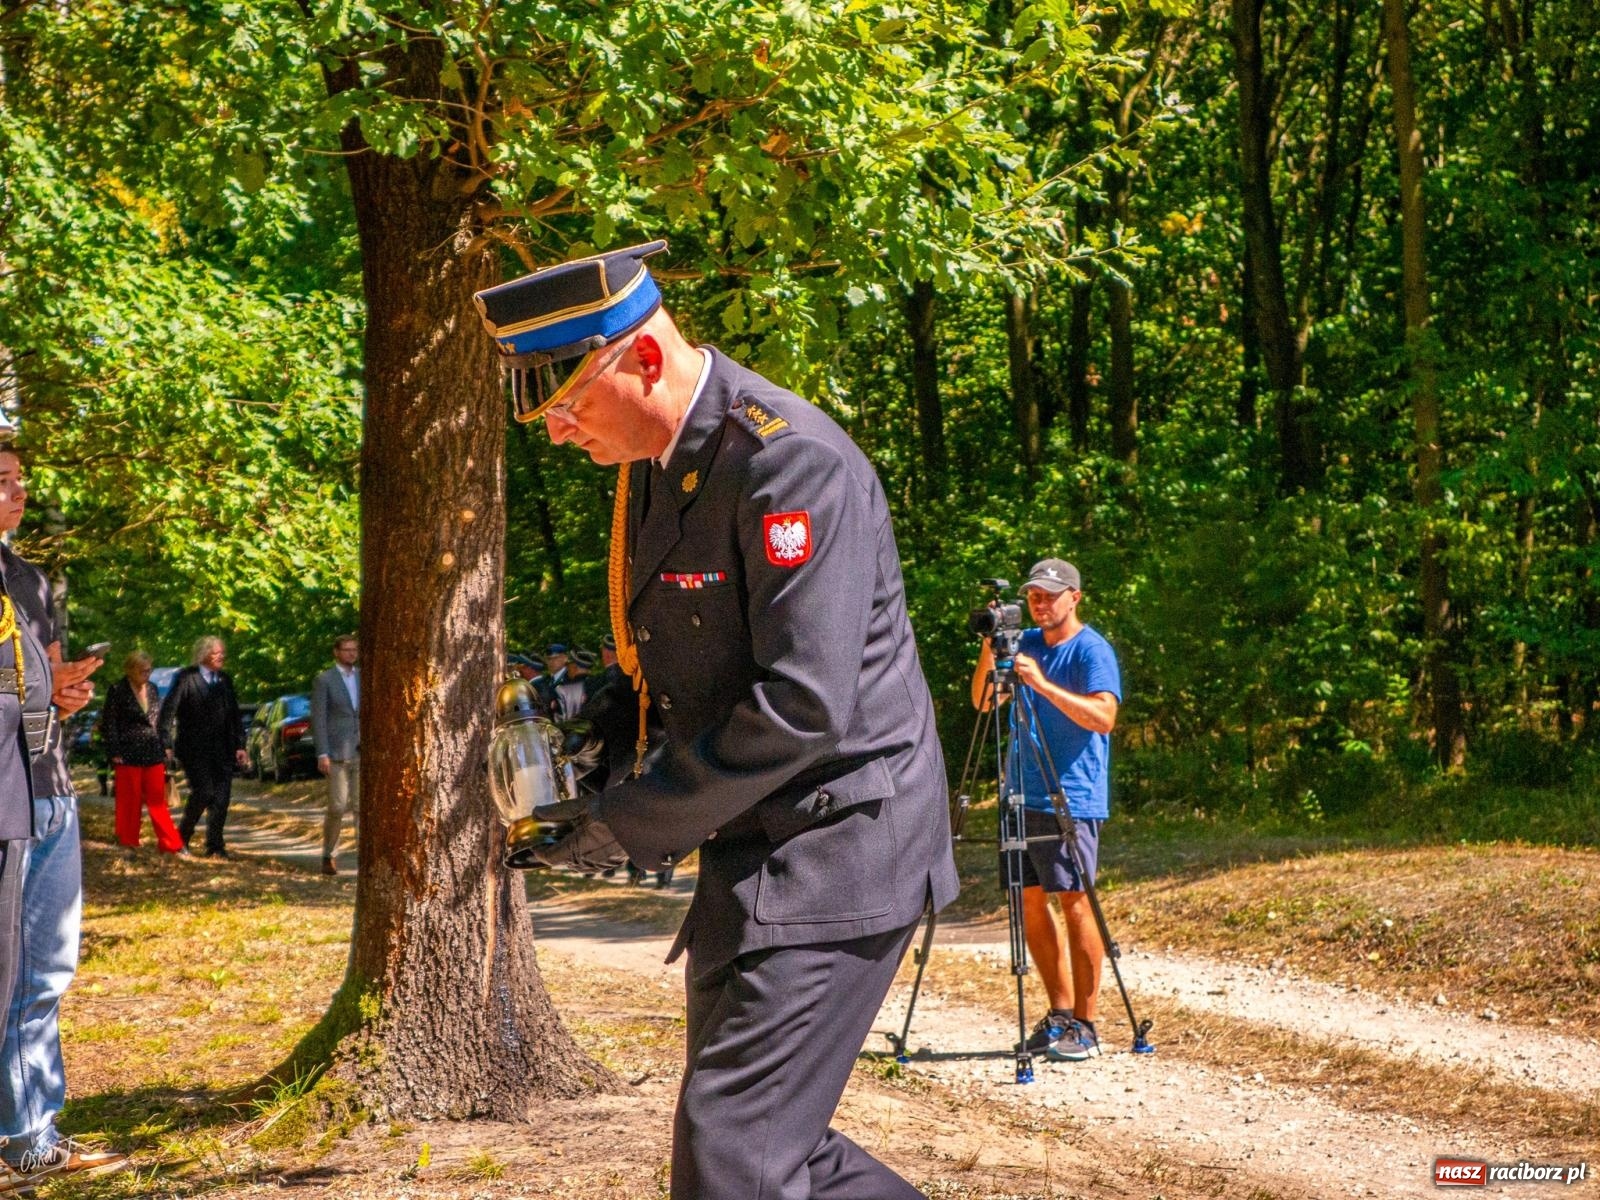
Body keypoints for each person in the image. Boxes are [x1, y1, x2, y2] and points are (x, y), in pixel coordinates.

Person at [476, 240, 959, 1200]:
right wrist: (609, 722)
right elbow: (700, 642)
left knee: (732, 1151)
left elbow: (804, 701)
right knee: (777, 1151)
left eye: (568, 403)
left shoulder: (789, 466)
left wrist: (630, 822)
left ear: (643, 359)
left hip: (843, 843)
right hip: (753, 844)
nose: (559, 432)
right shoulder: (660, 460)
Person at [0, 446, 128, 1188]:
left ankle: (31, 1128)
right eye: (2, 482)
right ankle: (22, 1135)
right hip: (6, 794)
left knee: (46, 967)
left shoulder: (29, 578)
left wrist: (65, 689)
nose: (17, 492)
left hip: (49, 785)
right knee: (14, 965)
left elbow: (38, 671)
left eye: (20, 480)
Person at [970, 558, 1121, 1063]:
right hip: (1021, 790)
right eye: (1034, 595)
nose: (1040, 603)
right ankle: (1058, 1014)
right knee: (1029, 901)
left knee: (1074, 900)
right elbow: (982, 703)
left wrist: (1042, 685)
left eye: (1050, 595)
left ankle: (1086, 1022)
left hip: (1071, 795)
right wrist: (991, 646)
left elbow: (1104, 718)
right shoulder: (1024, 644)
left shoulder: (1090, 649)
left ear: (1074, 597)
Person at [159, 637, 248, 859]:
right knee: (204, 792)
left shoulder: (224, 680)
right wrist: (166, 743)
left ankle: (215, 846)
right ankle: (182, 839)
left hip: (223, 749)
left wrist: (240, 744)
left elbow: (234, 714)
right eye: (216, 653)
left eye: (222, 653)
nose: (221, 657)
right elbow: (168, 711)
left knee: (221, 798)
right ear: (203, 654)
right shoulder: (187, 678)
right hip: (194, 749)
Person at [101, 651, 185, 855]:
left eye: (149, 670)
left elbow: (160, 722)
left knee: (158, 802)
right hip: (127, 753)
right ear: (130, 671)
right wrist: (114, 750)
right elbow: (109, 723)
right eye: (142, 671)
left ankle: (171, 844)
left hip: (152, 751)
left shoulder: (154, 689)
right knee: (130, 802)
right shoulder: (117, 690)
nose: (146, 674)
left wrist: (166, 745)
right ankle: (128, 841)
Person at [310, 634, 360, 876]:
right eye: (347, 650)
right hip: (337, 752)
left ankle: (365, 856)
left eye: (354, 650)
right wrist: (322, 752)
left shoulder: (363, 677)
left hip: (361, 750)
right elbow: (318, 718)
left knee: (361, 807)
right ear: (337, 652)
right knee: (338, 805)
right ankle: (329, 854)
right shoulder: (324, 680)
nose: (352, 654)